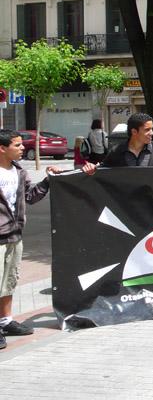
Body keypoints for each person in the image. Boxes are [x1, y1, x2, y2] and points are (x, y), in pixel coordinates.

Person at [0, 129, 61, 350]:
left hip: (15, 235)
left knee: (9, 281)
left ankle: (5, 321)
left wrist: (48, 181)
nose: (22, 147)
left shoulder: (19, 172)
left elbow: (30, 197)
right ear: (2, 148)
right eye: (17, 145)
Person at [83, 113, 153, 172]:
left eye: (152, 129)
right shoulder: (116, 151)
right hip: (124, 202)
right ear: (134, 132)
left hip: (151, 202)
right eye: (147, 130)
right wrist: (92, 169)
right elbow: (102, 171)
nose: (151, 133)